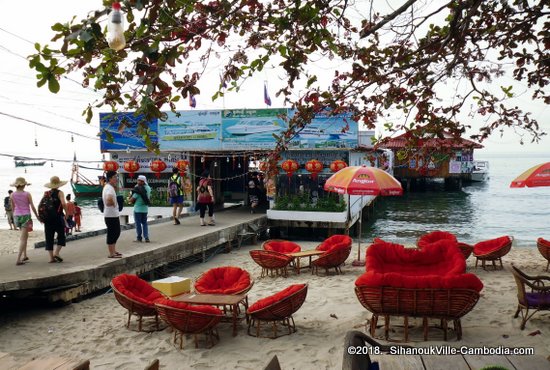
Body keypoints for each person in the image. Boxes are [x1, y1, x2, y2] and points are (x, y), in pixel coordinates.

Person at [10, 178, 39, 265]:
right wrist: (37, 216)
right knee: (23, 238)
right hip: (25, 216)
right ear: (24, 185)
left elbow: (13, 207)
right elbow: (32, 206)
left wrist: (13, 218)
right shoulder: (27, 194)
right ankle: (18, 259)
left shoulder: (12, 195)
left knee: (25, 236)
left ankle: (25, 255)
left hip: (16, 216)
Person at [43, 176, 68, 263]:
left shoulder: (46, 193)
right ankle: (56, 252)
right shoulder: (60, 192)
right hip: (58, 217)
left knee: (49, 237)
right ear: (58, 184)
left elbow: (43, 205)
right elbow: (64, 203)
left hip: (47, 219)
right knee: (61, 235)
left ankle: (51, 258)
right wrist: (67, 213)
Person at [103, 171, 123, 258]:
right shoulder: (109, 188)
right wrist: (114, 204)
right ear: (110, 178)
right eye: (115, 177)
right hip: (110, 215)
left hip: (113, 214)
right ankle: (111, 253)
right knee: (112, 233)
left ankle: (113, 251)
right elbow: (108, 201)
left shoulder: (109, 187)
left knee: (116, 232)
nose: (116, 179)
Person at [128, 175, 151, 242]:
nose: (137, 181)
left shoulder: (138, 189)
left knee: (138, 224)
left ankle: (139, 237)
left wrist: (129, 199)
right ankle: (146, 237)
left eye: (139, 180)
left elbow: (132, 199)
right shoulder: (148, 188)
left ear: (142, 181)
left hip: (137, 209)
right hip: (145, 209)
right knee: (144, 223)